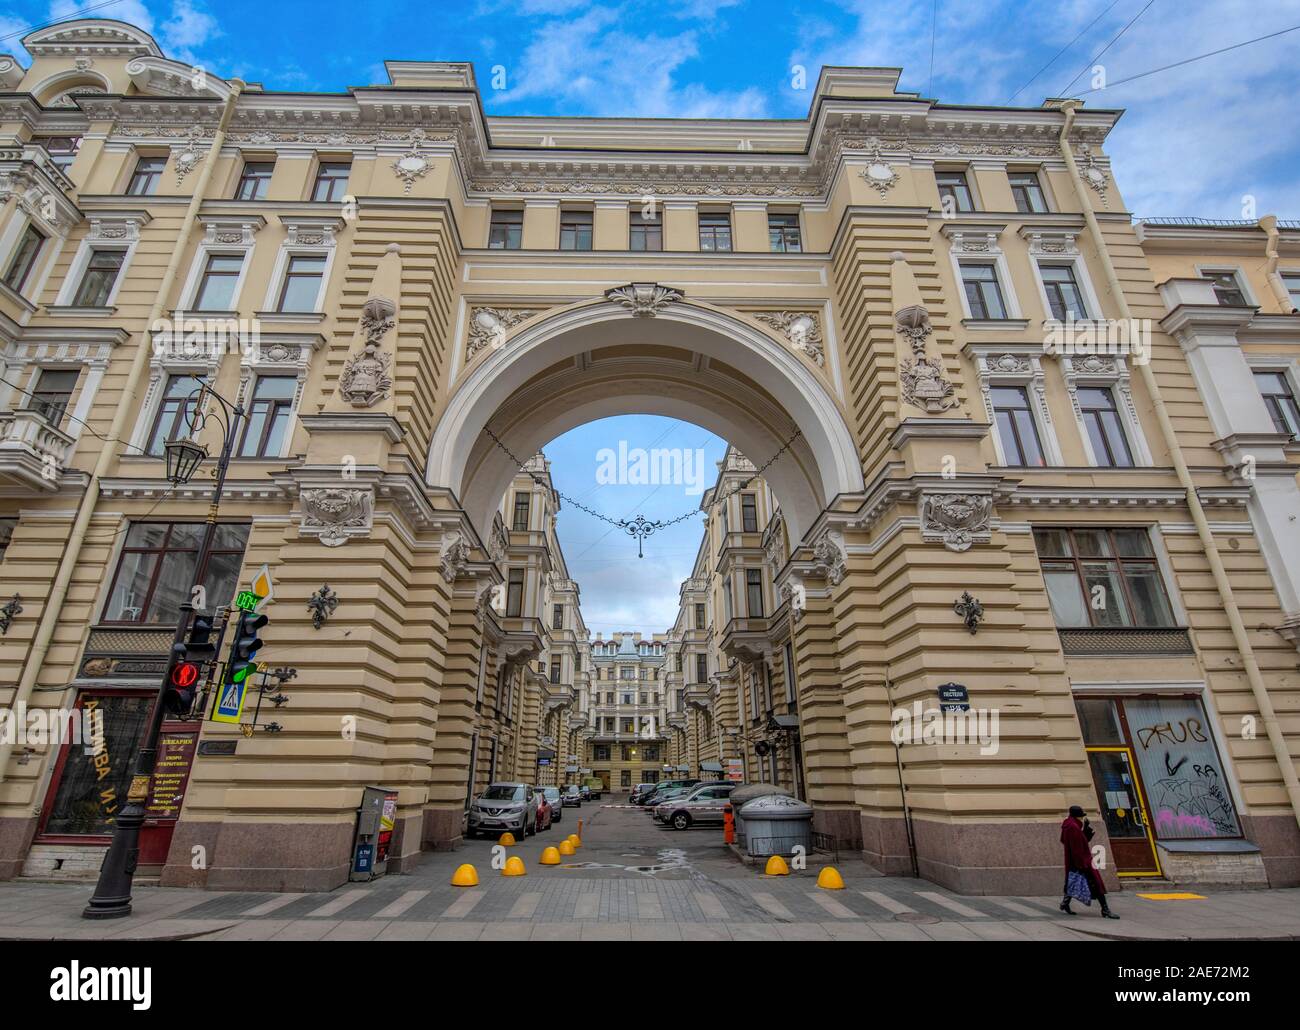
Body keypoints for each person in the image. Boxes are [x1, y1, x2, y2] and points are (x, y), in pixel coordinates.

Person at [1060, 805, 1118, 919]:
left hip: (1073, 861)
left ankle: (1065, 903)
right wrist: (1082, 864)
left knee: (1073, 882)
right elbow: (1078, 848)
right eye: (1081, 817)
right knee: (1097, 884)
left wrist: (1084, 831)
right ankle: (1105, 909)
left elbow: (1065, 840)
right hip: (1082, 861)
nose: (1082, 819)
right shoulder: (1073, 827)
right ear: (1078, 816)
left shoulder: (1068, 824)